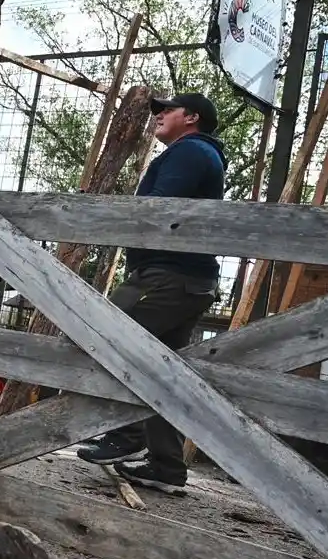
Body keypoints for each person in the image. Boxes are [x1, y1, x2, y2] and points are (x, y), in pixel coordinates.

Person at [77, 92, 227, 494]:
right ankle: (166, 466)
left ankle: (124, 435)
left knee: (108, 336)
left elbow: (155, 211)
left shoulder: (189, 151)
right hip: (186, 279)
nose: (158, 114)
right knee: (163, 371)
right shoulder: (197, 153)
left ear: (191, 117)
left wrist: (101, 217)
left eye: (167, 109)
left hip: (167, 276)